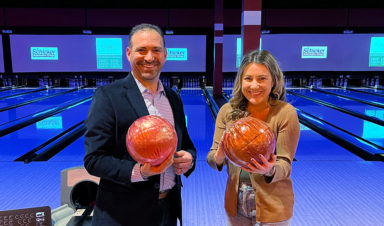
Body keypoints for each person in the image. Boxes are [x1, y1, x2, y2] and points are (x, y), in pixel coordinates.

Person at [84, 23, 196, 226]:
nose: (150, 57)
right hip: (122, 216)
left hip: (167, 211)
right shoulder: (108, 97)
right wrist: (140, 172)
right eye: (141, 50)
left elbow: (186, 144)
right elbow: (94, 160)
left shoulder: (173, 98)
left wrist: (189, 159)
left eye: (156, 50)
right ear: (128, 53)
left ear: (165, 54)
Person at [207, 49, 300, 226]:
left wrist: (270, 170)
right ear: (241, 80)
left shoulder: (285, 113)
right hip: (235, 201)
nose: (254, 85)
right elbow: (212, 158)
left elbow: (285, 164)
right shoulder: (227, 112)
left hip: (274, 202)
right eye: (248, 78)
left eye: (262, 78)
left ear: (273, 80)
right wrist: (218, 158)